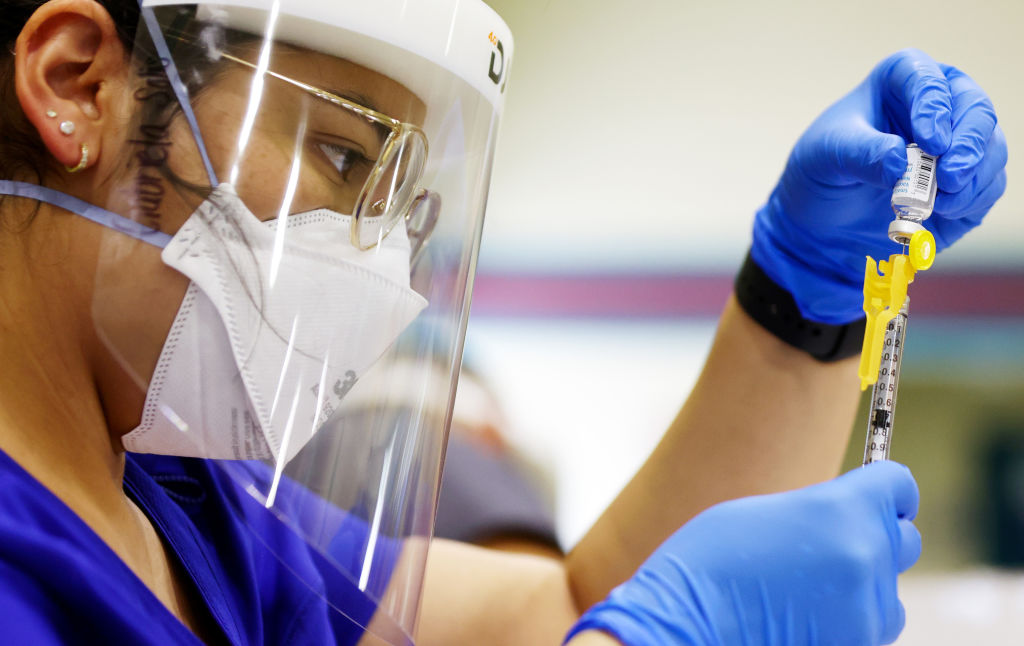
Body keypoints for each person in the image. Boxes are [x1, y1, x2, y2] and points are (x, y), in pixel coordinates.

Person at [0, 1, 1006, 645]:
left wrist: (807, 291)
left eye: (401, 205)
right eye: (348, 160)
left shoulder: (190, 512)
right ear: (76, 84)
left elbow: (561, 614)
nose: (373, 257)